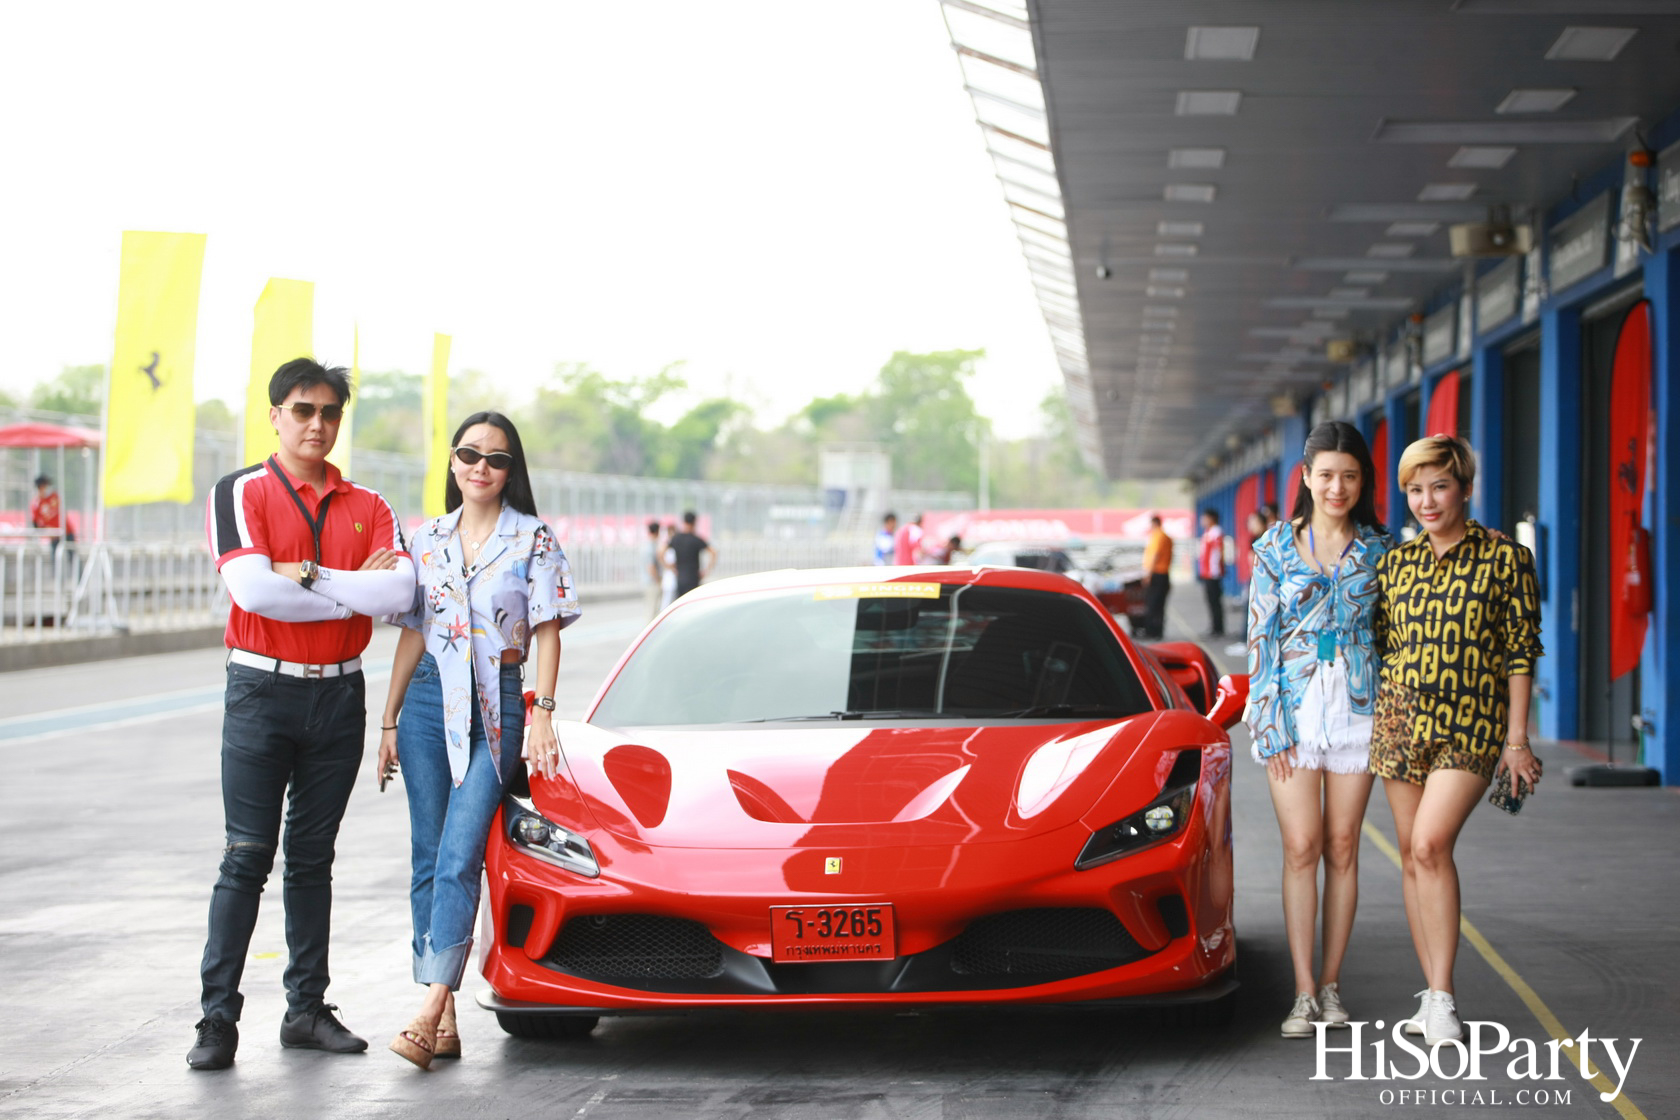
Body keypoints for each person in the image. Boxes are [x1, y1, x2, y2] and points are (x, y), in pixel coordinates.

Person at [189, 358, 415, 1071]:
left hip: (340, 695)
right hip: (262, 690)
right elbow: (254, 593)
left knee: (313, 860)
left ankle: (305, 1011)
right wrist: (355, 593)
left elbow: (403, 594)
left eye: (328, 413)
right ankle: (216, 1020)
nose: (316, 424)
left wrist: (308, 575)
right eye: (302, 410)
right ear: (275, 415)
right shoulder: (241, 491)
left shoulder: (369, 503)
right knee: (247, 857)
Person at [379, 411, 579, 1069]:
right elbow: (412, 627)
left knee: (462, 853)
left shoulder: (535, 539)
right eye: (469, 455)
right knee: (427, 855)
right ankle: (447, 1015)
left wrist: (543, 711)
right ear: (454, 463)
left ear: (510, 470)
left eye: (495, 459)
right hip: (429, 704)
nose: (480, 467)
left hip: (498, 706)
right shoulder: (426, 537)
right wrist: (388, 718)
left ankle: (430, 1007)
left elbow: (547, 629)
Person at [1372, 435, 1542, 1046]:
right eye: (1415, 490)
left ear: (1464, 487)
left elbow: (1520, 653)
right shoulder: (1395, 563)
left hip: (1471, 725)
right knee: (1413, 859)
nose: (1427, 501)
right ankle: (1430, 995)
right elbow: (1385, 643)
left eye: (1439, 486)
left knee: (1431, 843)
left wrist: (1516, 740)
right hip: (1399, 722)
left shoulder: (1505, 560)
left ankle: (1443, 999)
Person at [1245, 421, 1390, 1039]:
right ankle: (1302, 993)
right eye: (1326, 474)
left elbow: (1399, 627)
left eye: (1350, 475)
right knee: (1301, 847)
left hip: (1358, 711)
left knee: (1343, 848)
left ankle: (1331, 985)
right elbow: (1260, 637)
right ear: (1305, 477)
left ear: (1363, 481)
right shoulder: (1274, 548)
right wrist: (1268, 719)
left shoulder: (1384, 550)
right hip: (1294, 715)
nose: (1338, 486)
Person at [666, 510, 714, 598]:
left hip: (680, 577)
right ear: (694, 522)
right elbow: (713, 552)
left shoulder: (676, 538)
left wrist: (670, 567)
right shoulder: (696, 539)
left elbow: (661, 552)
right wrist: (707, 570)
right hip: (693, 577)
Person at [1140, 514, 1173, 639]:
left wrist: (1148, 575)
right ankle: (1158, 631)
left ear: (1154, 524)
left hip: (1156, 574)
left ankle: (1151, 631)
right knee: (1160, 604)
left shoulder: (1157, 537)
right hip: (1164, 574)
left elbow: (1155, 555)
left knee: (1152, 604)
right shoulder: (1167, 537)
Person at [1196, 508, 1226, 638]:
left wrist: (1216, 570)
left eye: (1204, 517)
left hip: (1213, 573)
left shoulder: (1216, 532)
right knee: (1210, 600)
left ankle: (1218, 627)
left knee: (1215, 600)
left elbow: (1218, 552)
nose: (1202, 520)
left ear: (1211, 518)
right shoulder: (1208, 533)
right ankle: (1214, 626)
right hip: (1208, 573)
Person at [29, 474, 73, 555]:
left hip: (66, 531)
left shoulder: (54, 496)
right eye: (45, 485)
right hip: (54, 535)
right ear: (41, 487)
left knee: (73, 555)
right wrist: (46, 530)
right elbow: (35, 522)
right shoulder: (36, 503)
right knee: (55, 558)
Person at [642, 519, 663, 619]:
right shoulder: (651, 547)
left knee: (652, 609)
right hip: (652, 582)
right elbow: (651, 567)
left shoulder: (645, 545)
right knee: (652, 610)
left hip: (647, 581)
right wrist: (658, 580)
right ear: (657, 531)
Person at [659, 522, 678, 609]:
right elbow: (660, 555)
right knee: (667, 601)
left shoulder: (676, 543)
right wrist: (668, 566)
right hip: (670, 576)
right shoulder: (668, 544)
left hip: (676, 575)